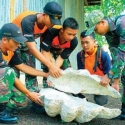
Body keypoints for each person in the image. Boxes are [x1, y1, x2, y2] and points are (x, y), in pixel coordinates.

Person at [0, 23, 48, 124]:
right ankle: (1, 111)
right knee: (8, 71)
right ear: (5, 40)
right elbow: (9, 75)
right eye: (16, 41)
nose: (18, 45)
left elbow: (23, 67)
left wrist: (45, 74)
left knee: (21, 99)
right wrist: (29, 93)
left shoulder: (10, 52)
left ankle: (4, 104)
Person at [12, 1, 62, 92]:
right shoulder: (28, 20)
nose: (53, 23)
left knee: (32, 72)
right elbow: (32, 48)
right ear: (44, 15)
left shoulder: (48, 25)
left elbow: (44, 48)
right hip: (14, 45)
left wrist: (53, 65)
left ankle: (34, 96)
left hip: (28, 44)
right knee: (15, 72)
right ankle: (14, 99)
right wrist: (50, 66)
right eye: (51, 20)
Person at [85, 10, 125, 120]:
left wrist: (109, 75)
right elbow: (115, 55)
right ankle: (124, 112)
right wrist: (116, 81)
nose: (96, 33)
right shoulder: (108, 34)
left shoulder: (122, 23)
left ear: (102, 22)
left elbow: (122, 54)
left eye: (95, 29)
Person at [40, 17, 79, 87]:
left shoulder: (74, 42)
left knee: (64, 70)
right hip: (47, 49)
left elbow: (61, 57)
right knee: (48, 68)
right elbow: (45, 51)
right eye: (69, 34)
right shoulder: (51, 31)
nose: (71, 37)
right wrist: (51, 69)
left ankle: (63, 89)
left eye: (74, 35)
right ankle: (47, 87)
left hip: (60, 51)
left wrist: (55, 69)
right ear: (62, 30)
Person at [76, 30, 111, 105]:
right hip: (87, 81)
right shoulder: (80, 55)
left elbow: (108, 75)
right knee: (72, 88)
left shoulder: (103, 55)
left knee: (101, 101)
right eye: (82, 42)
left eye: (87, 42)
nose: (84, 45)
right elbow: (80, 73)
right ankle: (84, 102)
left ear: (94, 42)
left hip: (99, 83)